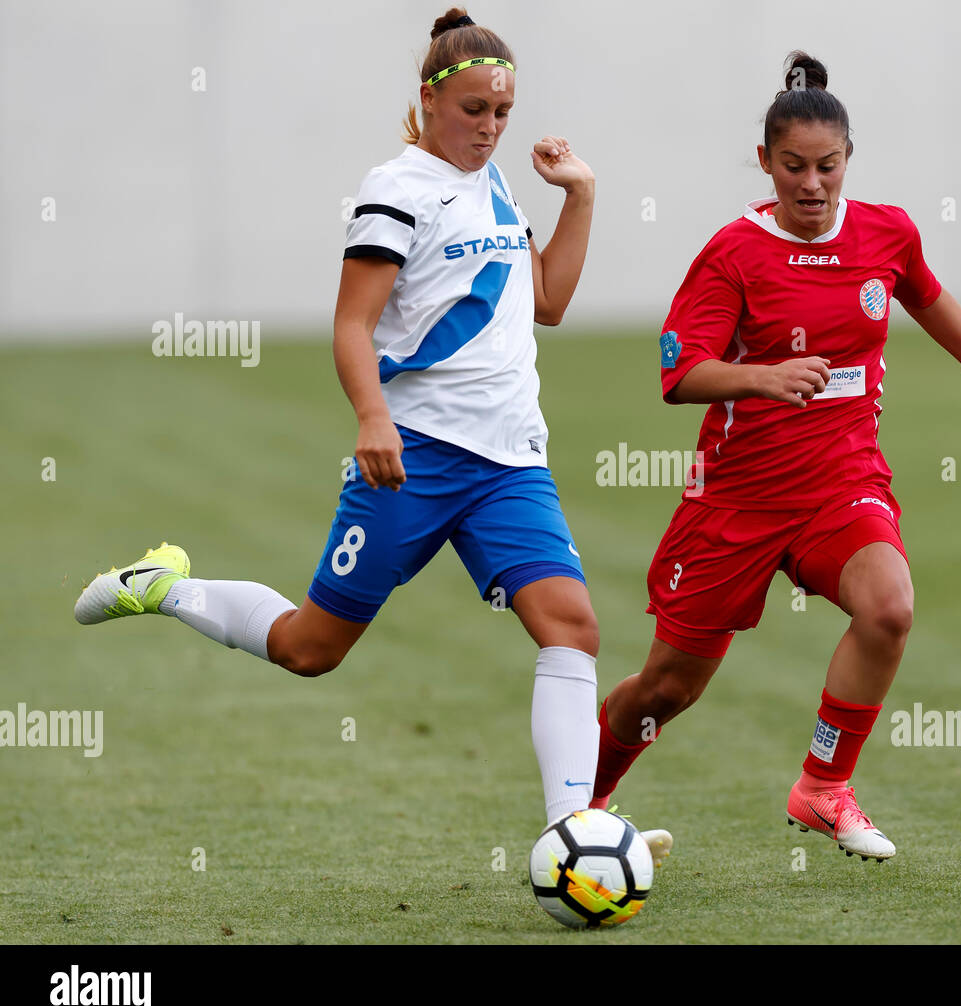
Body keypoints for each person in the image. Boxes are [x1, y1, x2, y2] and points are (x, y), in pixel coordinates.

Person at [74, 8, 644, 839]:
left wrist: (582, 195)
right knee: (313, 647)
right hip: (411, 458)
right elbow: (350, 325)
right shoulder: (395, 191)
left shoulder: (494, 183)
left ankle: (572, 834)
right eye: (474, 110)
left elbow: (548, 302)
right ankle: (164, 586)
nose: (488, 128)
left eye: (502, 114)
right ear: (430, 99)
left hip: (510, 465)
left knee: (573, 626)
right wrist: (373, 417)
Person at [589, 52, 961, 860]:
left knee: (890, 608)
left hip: (842, 481)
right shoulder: (733, 253)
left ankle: (824, 786)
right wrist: (761, 377)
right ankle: (581, 799)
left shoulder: (885, 233)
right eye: (793, 166)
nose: (812, 184)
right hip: (739, 497)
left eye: (827, 166)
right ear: (765, 162)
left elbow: (931, 299)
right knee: (667, 688)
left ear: (847, 161)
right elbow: (680, 372)